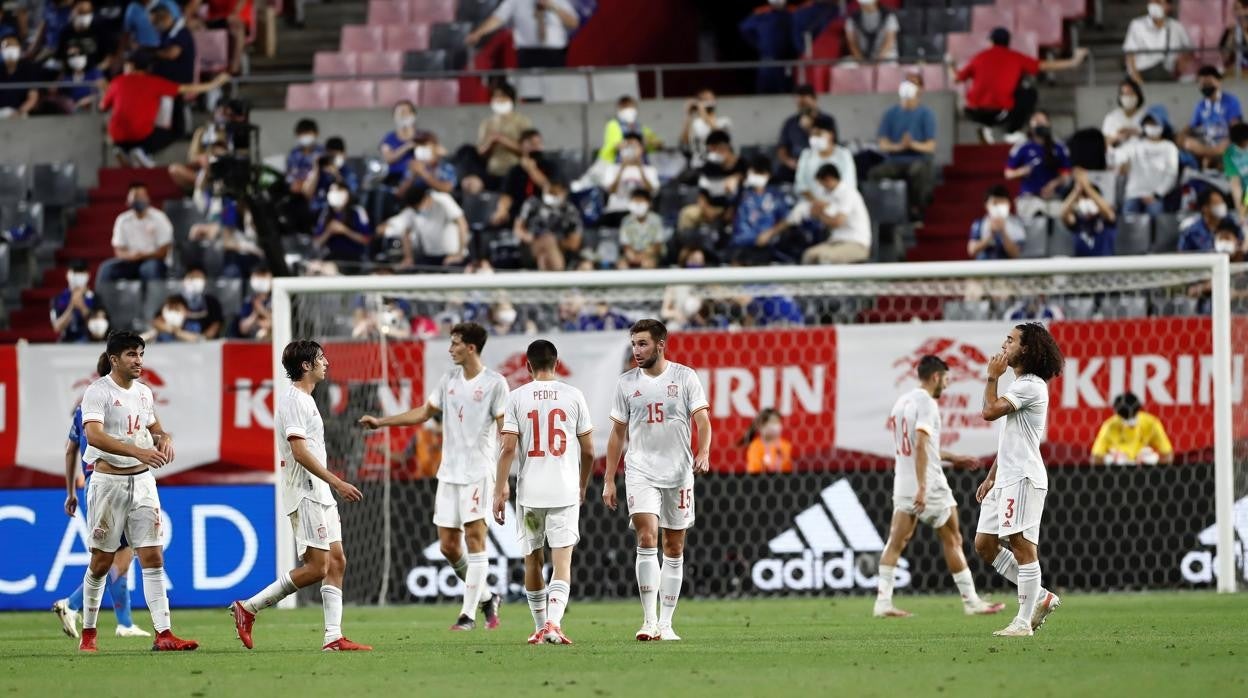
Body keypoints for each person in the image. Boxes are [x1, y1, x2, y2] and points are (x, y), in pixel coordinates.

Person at [359, 323, 508, 632]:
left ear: (470, 348)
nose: (450, 348)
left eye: (455, 343)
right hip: (449, 474)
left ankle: (467, 616)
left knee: (475, 538)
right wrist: (381, 422)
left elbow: (506, 430)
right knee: (449, 547)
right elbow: (424, 412)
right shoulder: (448, 380)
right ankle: (486, 597)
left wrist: (503, 478)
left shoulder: (496, 383)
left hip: (479, 472)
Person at [230, 341, 371, 651]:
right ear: (306, 365)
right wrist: (337, 481)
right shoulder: (295, 400)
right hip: (306, 491)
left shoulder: (306, 399)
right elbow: (299, 451)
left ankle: (333, 637)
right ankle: (248, 608)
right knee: (317, 567)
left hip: (319, 492)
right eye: (320, 358)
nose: (326, 362)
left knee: (337, 561)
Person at [75, 331, 197, 652]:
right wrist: (138, 451)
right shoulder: (97, 392)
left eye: (140, 353)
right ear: (114, 360)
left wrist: (164, 437)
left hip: (143, 483)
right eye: (131, 354)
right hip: (108, 485)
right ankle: (88, 633)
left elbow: (153, 427)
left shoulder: (144, 393)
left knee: (153, 555)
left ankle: (164, 634)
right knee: (102, 561)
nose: (138, 360)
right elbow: (95, 437)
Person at [603, 319, 711, 642]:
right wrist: (609, 478)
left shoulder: (684, 377)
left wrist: (703, 451)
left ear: (660, 344)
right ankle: (648, 621)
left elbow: (702, 420)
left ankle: (667, 623)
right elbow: (616, 435)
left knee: (674, 545)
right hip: (640, 470)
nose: (636, 351)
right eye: (634, 344)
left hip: (678, 472)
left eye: (643, 344)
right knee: (647, 537)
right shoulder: (625, 383)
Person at [876, 355, 1005, 619]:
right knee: (953, 538)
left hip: (902, 480)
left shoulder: (902, 402)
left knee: (896, 541)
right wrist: (923, 487)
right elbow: (922, 445)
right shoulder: (927, 405)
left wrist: (955, 458)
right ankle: (971, 601)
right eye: (946, 379)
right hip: (929, 483)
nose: (946, 386)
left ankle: (882, 602)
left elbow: (916, 446)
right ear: (935, 377)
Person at [492, 339, 594, 645]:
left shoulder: (517, 397)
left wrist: (500, 490)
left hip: (530, 494)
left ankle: (539, 626)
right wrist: (583, 483)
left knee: (532, 560)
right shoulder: (574, 395)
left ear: (527, 366)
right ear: (557, 363)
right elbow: (588, 450)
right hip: (564, 492)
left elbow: (508, 447)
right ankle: (553, 623)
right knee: (562, 561)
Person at [974, 323, 1065, 637]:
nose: (1004, 344)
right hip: (1005, 478)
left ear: (1026, 349)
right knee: (984, 544)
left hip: (1023, 478)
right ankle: (1039, 594)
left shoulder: (1030, 385)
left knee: (1021, 546)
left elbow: (988, 412)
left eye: (1011, 340)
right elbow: (1012, 438)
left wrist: (991, 377)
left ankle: (1023, 622)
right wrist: (990, 478)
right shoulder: (1020, 386)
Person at [53, 352, 151, 641]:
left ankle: (124, 622)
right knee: (116, 558)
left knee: (117, 556)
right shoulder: (113, 404)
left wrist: (71, 491)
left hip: (92, 484)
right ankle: (71, 604)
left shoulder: (84, 408)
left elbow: (71, 449)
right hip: (111, 482)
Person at [954, 27, 1088, 144]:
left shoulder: (979, 57)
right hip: (1002, 112)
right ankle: (1011, 132)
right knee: (1029, 93)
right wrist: (1073, 62)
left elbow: (956, 79)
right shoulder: (1015, 57)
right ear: (1007, 42)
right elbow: (1044, 66)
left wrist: (950, 65)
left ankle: (987, 128)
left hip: (973, 112)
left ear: (991, 41)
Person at [100, 49, 229, 166]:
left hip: (116, 137)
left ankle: (125, 150)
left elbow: (103, 106)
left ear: (132, 66)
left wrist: (105, 90)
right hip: (142, 137)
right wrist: (214, 84)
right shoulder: (154, 82)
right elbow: (187, 88)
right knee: (177, 131)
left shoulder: (117, 82)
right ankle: (143, 152)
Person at [870, 69, 937, 220]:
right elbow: (883, 143)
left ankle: (916, 210)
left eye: (914, 83)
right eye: (906, 82)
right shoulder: (890, 113)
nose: (909, 86)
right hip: (894, 160)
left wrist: (912, 144)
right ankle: (881, 214)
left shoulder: (926, 114)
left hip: (918, 160)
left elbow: (930, 146)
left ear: (921, 89)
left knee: (918, 172)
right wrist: (899, 146)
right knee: (875, 173)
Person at [465, 0, 579, 72]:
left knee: (555, 92)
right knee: (531, 94)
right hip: (527, 53)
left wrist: (553, 7)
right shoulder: (515, 1)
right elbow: (498, 19)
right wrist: (478, 33)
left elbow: (573, 23)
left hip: (555, 53)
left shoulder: (560, 1)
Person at [574, 132, 659, 227]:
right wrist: (622, 167)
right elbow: (611, 190)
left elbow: (651, 190)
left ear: (641, 149)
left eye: (634, 147)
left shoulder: (650, 170)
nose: (632, 150)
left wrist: (640, 168)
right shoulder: (612, 168)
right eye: (628, 147)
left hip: (640, 213)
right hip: (616, 211)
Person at [381, 182, 468, 268]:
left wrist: (459, 253)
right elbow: (406, 232)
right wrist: (408, 257)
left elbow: (462, 224)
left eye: (419, 207)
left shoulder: (443, 199)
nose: (418, 210)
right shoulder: (412, 209)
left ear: (425, 198)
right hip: (430, 257)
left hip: (452, 255)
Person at [98, 182, 173, 282]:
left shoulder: (159, 218)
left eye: (142, 196)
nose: (139, 200)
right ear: (128, 200)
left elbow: (164, 251)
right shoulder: (122, 220)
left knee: (150, 269)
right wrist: (130, 256)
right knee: (106, 269)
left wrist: (143, 255)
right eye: (135, 196)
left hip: (154, 260)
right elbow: (119, 250)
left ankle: (156, 297)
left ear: (148, 198)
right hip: (130, 262)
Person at [798, 164, 871, 264]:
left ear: (829, 179)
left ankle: (831, 280)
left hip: (856, 243)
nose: (822, 187)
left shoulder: (849, 193)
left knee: (825, 258)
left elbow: (837, 222)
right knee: (809, 255)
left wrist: (819, 214)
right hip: (835, 242)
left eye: (822, 183)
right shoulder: (828, 194)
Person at [1005, 111, 1072, 220]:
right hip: (1029, 198)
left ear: (1048, 124)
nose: (1039, 125)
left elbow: (1067, 174)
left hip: (1054, 198)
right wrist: (1021, 171)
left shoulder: (1059, 147)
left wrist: (1054, 184)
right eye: (1036, 122)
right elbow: (1008, 173)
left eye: (1042, 122)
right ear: (1031, 126)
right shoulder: (1022, 147)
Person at [731, 155, 789, 265]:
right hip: (740, 243)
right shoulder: (741, 193)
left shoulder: (775, 196)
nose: (755, 176)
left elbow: (786, 220)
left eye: (760, 173)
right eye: (753, 172)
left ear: (768, 175)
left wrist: (770, 233)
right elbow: (728, 214)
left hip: (765, 245)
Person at [1182, 66, 1243, 170]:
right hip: (1208, 143)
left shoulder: (1231, 101)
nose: (1206, 87)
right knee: (1187, 143)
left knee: (1229, 145)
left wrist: (1226, 143)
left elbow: (1235, 128)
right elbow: (1191, 126)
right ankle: (1212, 156)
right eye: (1203, 84)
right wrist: (1180, 135)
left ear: (1219, 82)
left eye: (1209, 83)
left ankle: (1211, 158)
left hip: (1226, 141)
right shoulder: (1200, 105)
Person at [1117, 113, 1179, 215]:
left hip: (1155, 196)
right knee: (1127, 219)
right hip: (1133, 194)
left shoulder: (1169, 147)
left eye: (1155, 123)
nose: (1151, 127)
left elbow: (1171, 175)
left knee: (1156, 218)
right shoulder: (1135, 145)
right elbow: (1121, 159)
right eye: (1148, 123)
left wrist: (1157, 195)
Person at [515, 179, 583, 271]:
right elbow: (518, 228)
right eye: (549, 191)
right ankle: (559, 278)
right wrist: (528, 237)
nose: (551, 195)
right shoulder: (532, 204)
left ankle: (547, 281)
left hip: (560, 249)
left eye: (555, 192)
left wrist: (555, 242)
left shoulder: (570, 211)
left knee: (544, 256)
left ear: (564, 192)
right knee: (547, 241)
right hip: (531, 246)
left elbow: (574, 243)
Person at [1091, 392, 1175, 466]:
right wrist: (1113, 458)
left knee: (1151, 457)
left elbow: (1167, 454)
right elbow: (1095, 458)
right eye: (1125, 418)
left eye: (1133, 416)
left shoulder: (1152, 423)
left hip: (1145, 468)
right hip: (1118, 467)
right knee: (1112, 459)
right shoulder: (1109, 426)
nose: (1130, 421)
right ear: (1117, 414)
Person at [476, 82, 533, 188]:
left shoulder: (522, 121)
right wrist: (491, 142)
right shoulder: (487, 123)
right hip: (493, 171)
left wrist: (503, 140)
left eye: (503, 97)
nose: (499, 99)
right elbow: (480, 152)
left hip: (516, 171)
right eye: (496, 96)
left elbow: (528, 149)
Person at [1123, 0, 1193, 84]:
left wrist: (1182, 61)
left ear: (1169, 6)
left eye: (1159, 2)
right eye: (1152, 2)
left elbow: (1189, 50)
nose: (1154, 6)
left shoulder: (1176, 26)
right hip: (1143, 72)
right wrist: (1139, 82)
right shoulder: (1137, 25)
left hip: (1168, 74)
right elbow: (1130, 57)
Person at [491, 127, 551, 226]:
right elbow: (507, 195)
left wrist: (532, 170)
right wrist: (502, 210)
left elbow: (551, 189)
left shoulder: (550, 166)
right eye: (532, 144)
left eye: (538, 144)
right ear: (521, 146)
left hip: (544, 211)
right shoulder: (515, 171)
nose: (536, 147)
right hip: (519, 213)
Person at [776, 84, 832, 182]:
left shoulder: (826, 120)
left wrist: (809, 128)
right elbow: (782, 147)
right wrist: (789, 162)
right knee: (781, 173)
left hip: (821, 162)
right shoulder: (790, 123)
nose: (802, 107)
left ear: (814, 100)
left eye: (805, 104)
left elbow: (830, 145)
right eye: (800, 104)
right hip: (797, 164)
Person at [740, 0, 796, 94]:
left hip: (788, 61)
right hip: (768, 60)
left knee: (787, 90)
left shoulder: (793, 12)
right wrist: (759, 44)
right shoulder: (762, 14)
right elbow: (745, 29)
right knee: (765, 90)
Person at [794, 114, 856, 199]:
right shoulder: (806, 154)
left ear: (831, 134)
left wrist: (828, 205)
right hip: (811, 203)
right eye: (812, 135)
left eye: (818, 134)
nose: (814, 138)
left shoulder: (844, 155)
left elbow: (848, 184)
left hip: (839, 202)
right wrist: (815, 202)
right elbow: (800, 184)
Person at [1058, 171, 1117, 257]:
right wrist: (1077, 191)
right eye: (1083, 197)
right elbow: (1063, 213)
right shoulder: (1077, 220)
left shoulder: (1105, 219)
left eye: (1088, 197)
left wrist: (1087, 187)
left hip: (1105, 264)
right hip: (1081, 266)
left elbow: (1109, 213)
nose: (1086, 201)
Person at [313, 181, 372, 265]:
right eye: (332, 190)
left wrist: (344, 230)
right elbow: (316, 243)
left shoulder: (357, 212)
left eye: (339, 190)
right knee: (314, 267)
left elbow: (366, 239)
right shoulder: (326, 214)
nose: (335, 194)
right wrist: (329, 232)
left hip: (353, 259)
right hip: (331, 256)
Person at [381, 100, 435, 186]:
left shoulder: (425, 137)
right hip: (396, 178)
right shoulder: (389, 138)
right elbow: (388, 159)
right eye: (399, 113)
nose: (403, 116)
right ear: (394, 117)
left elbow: (432, 159)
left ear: (413, 115)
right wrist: (408, 146)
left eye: (406, 112)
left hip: (421, 177)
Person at [680, 88, 733, 171]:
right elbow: (685, 141)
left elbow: (719, 135)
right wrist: (688, 116)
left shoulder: (724, 121)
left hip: (719, 164)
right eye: (703, 99)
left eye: (709, 98)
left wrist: (702, 112)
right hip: (699, 164)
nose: (706, 102)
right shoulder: (696, 123)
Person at [57, 0, 116, 75]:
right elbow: (61, 59)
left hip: (96, 76)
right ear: (72, 12)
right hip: (71, 76)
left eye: (87, 13)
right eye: (80, 13)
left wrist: (95, 73)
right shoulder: (65, 32)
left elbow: (109, 57)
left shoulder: (101, 29)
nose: (83, 17)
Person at [968, 185, 1026, 260]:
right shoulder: (979, 224)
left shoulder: (1016, 223)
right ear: (986, 205)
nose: (998, 207)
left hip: (1008, 268)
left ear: (1009, 204)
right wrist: (990, 236)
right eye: (994, 203)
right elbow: (972, 251)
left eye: (1002, 202)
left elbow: (1016, 254)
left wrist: (1003, 232)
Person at [598, 95, 662, 163]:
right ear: (619, 110)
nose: (629, 110)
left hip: (640, 164)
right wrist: (633, 143)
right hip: (616, 164)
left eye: (631, 107)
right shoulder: (613, 125)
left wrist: (651, 142)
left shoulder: (641, 128)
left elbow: (657, 143)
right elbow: (615, 144)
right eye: (625, 107)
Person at [395, 132, 457, 198]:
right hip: (417, 205)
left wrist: (423, 173)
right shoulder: (413, 165)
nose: (420, 149)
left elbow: (448, 189)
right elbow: (399, 194)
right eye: (418, 146)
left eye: (424, 145)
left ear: (435, 147)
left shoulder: (445, 164)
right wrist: (413, 176)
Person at [618, 189, 666, 269]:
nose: (638, 204)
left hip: (650, 255)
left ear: (649, 203)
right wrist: (632, 256)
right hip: (632, 255)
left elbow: (657, 245)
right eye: (635, 201)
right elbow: (625, 245)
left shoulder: (657, 220)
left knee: (647, 264)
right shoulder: (626, 220)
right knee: (622, 265)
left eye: (641, 201)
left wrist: (643, 256)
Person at [51, 260, 97, 342]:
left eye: (81, 272)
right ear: (68, 274)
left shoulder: (95, 297)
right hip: (66, 341)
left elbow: (97, 329)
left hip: (89, 342)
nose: (78, 276)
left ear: (88, 275)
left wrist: (82, 306)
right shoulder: (58, 298)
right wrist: (72, 305)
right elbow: (57, 327)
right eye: (75, 272)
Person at [149, 4, 194, 86]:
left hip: (179, 77)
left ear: (166, 18)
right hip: (165, 73)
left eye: (155, 23)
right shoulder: (165, 33)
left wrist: (151, 53)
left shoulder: (181, 32)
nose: (154, 26)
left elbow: (172, 54)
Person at [740, 408, 792, 475]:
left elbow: (785, 468)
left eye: (777, 423)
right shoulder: (755, 446)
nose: (775, 427)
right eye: (771, 423)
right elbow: (755, 470)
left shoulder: (785, 445)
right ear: (760, 426)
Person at [1102, 78, 1147, 148]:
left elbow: (1156, 140)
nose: (1128, 97)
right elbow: (1104, 143)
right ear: (1120, 97)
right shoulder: (1111, 117)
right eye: (1124, 94)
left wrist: (1135, 132)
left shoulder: (1147, 116)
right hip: (1117, 156)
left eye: (1131, 93)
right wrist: (1117, 137)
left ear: (1138, 95)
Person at [0, 34, 37, 118]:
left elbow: (33, 97)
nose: (10, 50)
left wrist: (19, 112)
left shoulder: (28, 69)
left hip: (20, 113)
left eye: (13, 47)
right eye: (7, 47)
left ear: (19, 49)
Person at [236, 267, 272, 339]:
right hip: (252, 343)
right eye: (257, 276)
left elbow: (278, 324)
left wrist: (262, 311)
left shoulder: (278, 299)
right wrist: (255, 314)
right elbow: (243, 329)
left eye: (263, 276)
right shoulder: (249, 301)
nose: (260, 280)